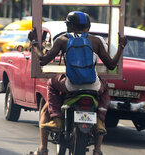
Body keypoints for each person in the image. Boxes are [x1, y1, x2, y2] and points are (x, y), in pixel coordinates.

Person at [28, 11, 127, 155]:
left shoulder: (63, 40)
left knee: (51, 83)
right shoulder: (96, 41)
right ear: (87, 27)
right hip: (93, 86)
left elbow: (43, 60)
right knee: (105, 88)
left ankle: (55, 119)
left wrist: (34, 42)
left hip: (71, 86)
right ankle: (99, 123)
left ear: (70, 26)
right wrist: (121, 46)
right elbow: (111, 65)